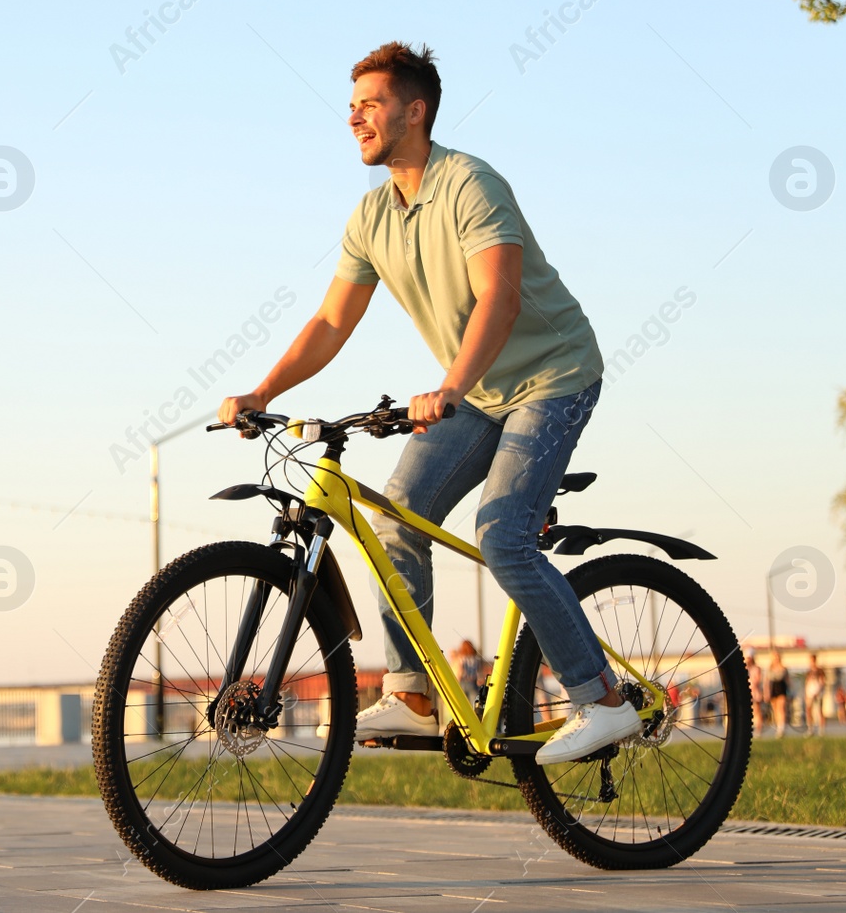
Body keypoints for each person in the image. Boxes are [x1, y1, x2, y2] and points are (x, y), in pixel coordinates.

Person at [219, 42, 630, 765]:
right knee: (397, 514)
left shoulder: (471, 184)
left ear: (417, 110)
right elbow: (330, 323)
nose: (354, 118)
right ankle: (411, 693)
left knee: (503, 534)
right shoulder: (372, 214)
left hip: (554, 375)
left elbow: (499, 298)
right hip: (479, 390)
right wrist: (262, 391)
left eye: (369, 104)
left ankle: (602, 698)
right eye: (350, 107)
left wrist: (448, 388)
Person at [767, 650, 790, 738]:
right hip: (774, 689)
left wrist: (790, 692)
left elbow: (788, 681)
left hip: (781, 689)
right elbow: (768, 681)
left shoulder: (783, 668)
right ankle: (778, 726)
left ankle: (782, 727)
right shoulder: (770, 668)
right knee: (775, 709)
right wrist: (767, 692)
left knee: (781, 708)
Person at [804, 652, 827, 736]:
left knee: (819, 711)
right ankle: (810, 729)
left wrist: (818, 691)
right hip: (809, 692)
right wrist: (806, 693)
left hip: (818, 692)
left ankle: (821, 730)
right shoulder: (808, 671)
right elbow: (807, 682)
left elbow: (822, 682)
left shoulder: (820, 670)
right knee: (809, 710)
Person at [745, 648, 765, 736]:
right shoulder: (745, 668)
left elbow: (758, 680)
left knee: (757, 710)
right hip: (747, 692)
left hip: (755, 692)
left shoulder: (757, 668)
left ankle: (758, 729)